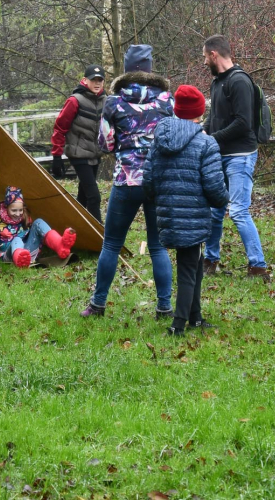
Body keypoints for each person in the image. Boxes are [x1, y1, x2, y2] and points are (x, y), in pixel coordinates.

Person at [80, 44, 175, 318]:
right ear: (149, 69)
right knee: (157, 247)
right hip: (158, 182)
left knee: (111, 244)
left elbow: (104, 144)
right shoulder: (167, 101)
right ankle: (165, 307)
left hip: (126, 181)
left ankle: (98, 305)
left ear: (126, 70)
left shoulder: (113, 103)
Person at [143, 85, 228, 336]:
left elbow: (148, 182)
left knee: (194, 264)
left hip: (169, 213)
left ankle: (196, 316)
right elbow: (214, 186)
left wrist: (163, 200)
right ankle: (178, 325)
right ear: (200, 112)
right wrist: (224, 199)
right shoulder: (206, 142)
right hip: (193, 215)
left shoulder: (159, 140)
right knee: (189, 269)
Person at [201, 34, 270, 282]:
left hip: (240, 156)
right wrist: (204, 131)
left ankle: (258, 267)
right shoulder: (218, 82)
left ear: (214, 55)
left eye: (204, 57)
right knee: (215, 210)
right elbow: (216, 116)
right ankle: (210, 260)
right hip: (221, 154)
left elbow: (243, 123)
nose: (204, 62)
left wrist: (212, 138)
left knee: (239, 211)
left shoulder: (239, 81)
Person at [50, 65, 106, 221]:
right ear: (84, 80)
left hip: (95, 154)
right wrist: (56, 156)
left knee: (83, 197)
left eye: (100, 80)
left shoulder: (106, 101)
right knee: (94, 197)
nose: (97, 83)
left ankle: (73, 229)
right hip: (78, 153)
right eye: (93, 80)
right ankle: (99, 237)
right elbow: (60, 128)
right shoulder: (74, 101)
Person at [0, 186, 76, 267]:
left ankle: (60, 245)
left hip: (27, 253)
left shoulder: (24, 217)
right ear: (6, 207)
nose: (18, 214)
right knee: (17, 240)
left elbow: (34, 233)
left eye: (20, 210)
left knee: (38, 222)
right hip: (7, 255)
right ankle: (20, 259)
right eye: (14, 210)